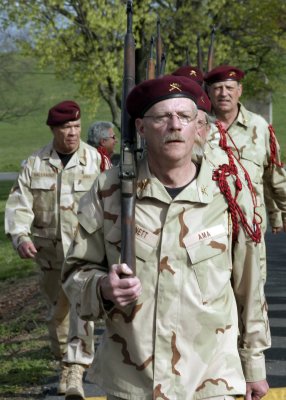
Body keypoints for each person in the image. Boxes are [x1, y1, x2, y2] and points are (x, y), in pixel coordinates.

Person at [62, 75, 270, 400]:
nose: (175, 125)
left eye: (184, 117)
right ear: (142, 128)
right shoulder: (108, 191)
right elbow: (74, 274)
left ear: (198, 127)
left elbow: (250, 286)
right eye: (162, 117)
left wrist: (254, 365)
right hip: (132, 381)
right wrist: (102, 288)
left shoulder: (230, 191)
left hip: (211, 380)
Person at [5, 100, 103, 399]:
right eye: (65, 127)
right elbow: (19, 205)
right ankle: (65, 362)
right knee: (57, 312)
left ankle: (75, 368)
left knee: (80, 308)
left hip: (85, 253)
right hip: (48, 255)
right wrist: (20, 237)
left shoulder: (95, 160)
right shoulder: (35, 164)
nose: (72, 133)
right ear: (53, 129)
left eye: (76, 126)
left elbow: (109, 203)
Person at [204, 65, 286, 281]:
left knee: (253, 299)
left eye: (229, 87)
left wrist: (281, 213)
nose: (224, 93)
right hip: (209, 229)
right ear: (209, 92)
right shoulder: (198, 128)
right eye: (218, 88)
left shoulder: (259, 127)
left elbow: (275, 178)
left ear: (239, 90)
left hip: (251, 228)